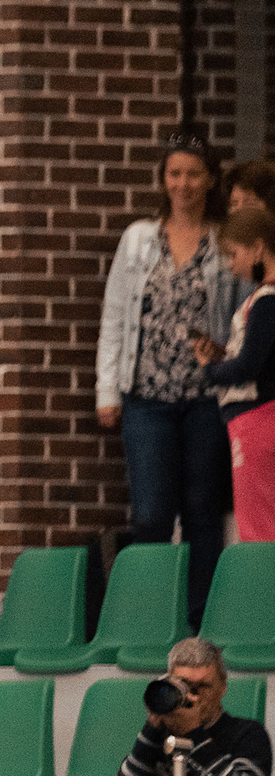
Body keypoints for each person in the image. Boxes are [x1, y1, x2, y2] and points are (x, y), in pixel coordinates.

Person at [98, 134, 244, 626]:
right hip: (146, 398)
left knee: (203, 510)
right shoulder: (139, 238)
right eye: (174, 173)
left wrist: (227, 356)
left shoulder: (226, 241)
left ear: (210, 180)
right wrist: (107, 390)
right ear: (163, 180)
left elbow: (246, 316)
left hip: (207, 396)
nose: (182, 183)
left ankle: (203, 620)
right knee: (152, 512)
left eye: (193, 174)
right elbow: (116, 313)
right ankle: (149, 616)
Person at [200, 205, 275, 543]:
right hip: (259, 418)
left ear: (258, 248)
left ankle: (262, 594)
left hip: (257, 421)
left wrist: (210, 369)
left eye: (232, 254)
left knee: (258, 524)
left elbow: (249, 365)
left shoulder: (266, 300)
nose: (230, 264)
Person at [114, 636, 271, 776]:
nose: (192, 695)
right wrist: (152, 728)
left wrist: (194, 734)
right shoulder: (159, 735)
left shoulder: (248, 734)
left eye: (203, 686)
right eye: (183, 685)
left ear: (223, 686)